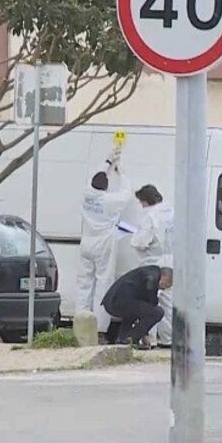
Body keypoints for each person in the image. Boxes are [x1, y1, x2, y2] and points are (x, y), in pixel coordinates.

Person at [75, 145, 132, 338]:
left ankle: (80, 324)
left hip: (86, 243)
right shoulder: (109, 201)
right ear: (106, 187)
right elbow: (126, 193)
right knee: (102, 285)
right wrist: (121, 170)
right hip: (103, 246)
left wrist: (107, 162)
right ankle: (98, 328)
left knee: (84, 285)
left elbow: (95, 175)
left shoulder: (86, 194)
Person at [131, 185, 174, 347]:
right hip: (170, 262)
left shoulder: (151, 216)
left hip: (153, 264)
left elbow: (141, 241)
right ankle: (168, 339)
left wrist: (133, 239)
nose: (141, 206)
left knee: (150, 302)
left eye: (141, 202)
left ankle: (151, 338)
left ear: (147, 201)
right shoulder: (170, 211)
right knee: (168, 302)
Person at [102, 266, 173, 349]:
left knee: (134, 312)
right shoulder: (152, 276)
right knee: (158, 312)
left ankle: (122, 339)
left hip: (113, 302)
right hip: (121, 302)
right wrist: (153, 300)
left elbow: (142, 309)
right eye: (168, 284)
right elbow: (150, 298)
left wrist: (144, 333)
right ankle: (132, 339)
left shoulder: (148, 271)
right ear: (165, 276)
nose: (163, 288)